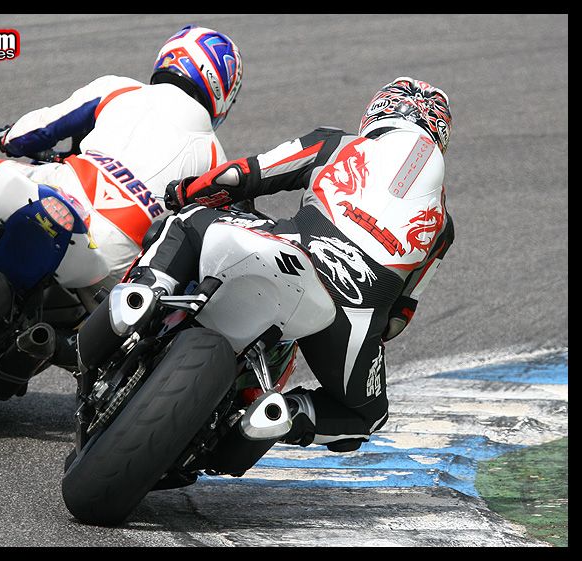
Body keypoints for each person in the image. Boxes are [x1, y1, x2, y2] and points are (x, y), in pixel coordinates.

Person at [121, 76, 454, 452]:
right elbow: (398, 318)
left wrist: (186, 191)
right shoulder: (443, 227)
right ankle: (280, 415)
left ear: (377, 112)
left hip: (295, 250)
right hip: (353, 316)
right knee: (367, 416)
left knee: (190, 219)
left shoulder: (339, 144)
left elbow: (242, 175)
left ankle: (142, 296)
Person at [0, 24, 243, 297]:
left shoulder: (122, 89)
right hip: (117, 265)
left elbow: (32, 132)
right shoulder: (217, 158)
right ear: (223, 91)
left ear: (170, 56)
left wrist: (9, 136)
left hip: (67, 192)